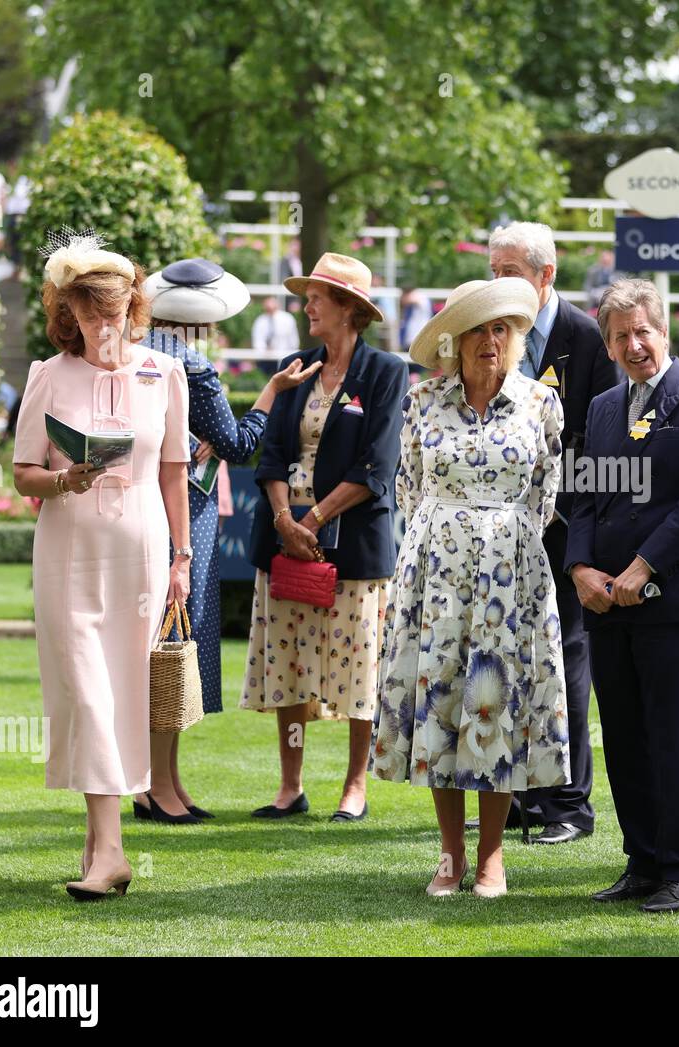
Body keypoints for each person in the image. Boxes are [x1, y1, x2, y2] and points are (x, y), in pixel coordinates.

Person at [369, 277, 569, 898]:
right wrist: (445, 538)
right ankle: (450, 855)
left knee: (497, 703)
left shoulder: (540, 402)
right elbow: (407, 486)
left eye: (502, 329)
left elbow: (546, 493)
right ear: (456, 341)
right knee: (441, 699)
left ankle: (492, 856)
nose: (492, 340)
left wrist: (497, 540)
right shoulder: (424, 400)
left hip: (511, 579)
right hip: (435, 577)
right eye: (480, 329)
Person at [12, 230, 191, 900]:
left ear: (132, 311)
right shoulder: (47, 375)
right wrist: (63, 480)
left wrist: (182, 555)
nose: (103, 326)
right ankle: (112, 851)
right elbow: (25, 471)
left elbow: (175, 473)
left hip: (140, 551)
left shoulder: (164, 373)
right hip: (67, 547)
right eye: (89, 314)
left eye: (113, 314)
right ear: (70, 316)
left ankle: (98, 848)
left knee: (119, 695)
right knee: (85, 692)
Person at [566, 279, 679, 913]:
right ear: (607, 344)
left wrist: (643, 567)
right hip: (607, 603)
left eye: (643, 331)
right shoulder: (604, 407)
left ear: (663, 331)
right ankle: (641, 863)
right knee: (626, 736)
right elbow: (583, 495)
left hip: (671, 599)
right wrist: (582, 569)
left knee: (672, 737)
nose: (633, 344)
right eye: (620, 336)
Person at [137, 259, 320, 823]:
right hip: (185, 515)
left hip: (148, 509)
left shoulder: (141, 352)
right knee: (175, 642)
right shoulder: (194, 368)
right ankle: (156, 788)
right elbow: (240, 444)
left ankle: (163, 781)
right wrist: (269, 392)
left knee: (163, 643)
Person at [241, 252, 407, 822]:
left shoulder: (386, 372)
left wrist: (310, 524)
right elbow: (273, 453)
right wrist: (286, 522)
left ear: (349, 310)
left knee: (359, 668)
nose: (306, 304)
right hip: (285, 540)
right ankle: (291, 785)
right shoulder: (296, 366)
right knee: (288, 665)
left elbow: (376, 465)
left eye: (317, 296)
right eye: (307, 294)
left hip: (353, 545)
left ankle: (354, 787)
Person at [487, 221, 617, 844]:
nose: (498, 284)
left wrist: (558, 504)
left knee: (567, 660)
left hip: (569, 531)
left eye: (509, 271)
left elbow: (605, 437)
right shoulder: (491, 338)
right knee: (510, 659)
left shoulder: (585, 338)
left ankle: (569, 804)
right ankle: (518, 794)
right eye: (493, 271)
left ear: (546, 276)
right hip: (502, 535)